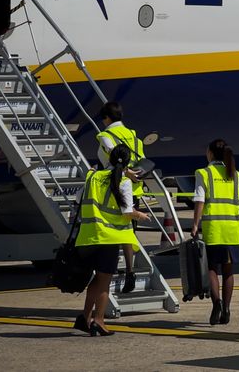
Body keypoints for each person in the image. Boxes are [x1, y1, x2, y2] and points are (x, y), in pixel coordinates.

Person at [74, 144, 149, 336]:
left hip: (90, 236)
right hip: (109, 237)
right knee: (104, 282)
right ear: (128, 163)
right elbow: (127, 211)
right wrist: (140, 215)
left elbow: (78, 198)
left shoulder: (93, 177)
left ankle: (84, 317)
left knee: (96, 279)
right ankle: (99, 320)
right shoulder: (123, 182)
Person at [191, 139, 239, 326]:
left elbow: (199, 200)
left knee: (212, 269)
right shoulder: (233, 173)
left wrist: (195, 224)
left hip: (214, 229)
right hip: (233, 229)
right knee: (228, 270)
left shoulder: (204, 173)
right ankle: (226, 308)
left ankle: (216, 303)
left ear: (210, 153)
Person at [95, 102, 145, 293]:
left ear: (106, 118)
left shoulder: (105, 136)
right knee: (127, 233)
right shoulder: (133, 136)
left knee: (110, 230)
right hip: (134, 190)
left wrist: (124, 172)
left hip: (113, 188)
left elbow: (113, 158)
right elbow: (139, 158)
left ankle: (109, 269)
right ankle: (130, 271)